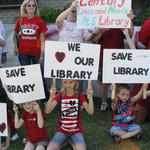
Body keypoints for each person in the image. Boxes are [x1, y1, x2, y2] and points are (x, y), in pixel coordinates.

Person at [92, 11, 135, 112]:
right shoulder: (101, 21)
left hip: (118, 58)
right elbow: (94, 40)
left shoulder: (120, 21)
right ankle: (104, 102)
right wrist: (101, 31)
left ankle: (114, 102)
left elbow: (130, 34)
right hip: (103, 57)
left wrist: (130, 19)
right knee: (103, 83)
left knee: (116, 83)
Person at [56, 0, 99, 93]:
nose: (74, 13)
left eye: (76, 11)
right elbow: (58, 20)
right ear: (66, 12)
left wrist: (94, 33)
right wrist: (71, 7)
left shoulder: (81, 24)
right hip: (64, 57)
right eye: (72, 11)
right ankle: (64, 101)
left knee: (78, 81)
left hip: (78, 57)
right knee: (65, 81)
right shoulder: (63, 23)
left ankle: (78, 101)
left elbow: (87, 37)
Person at [13, 0, 49, 104]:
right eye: (29, 5)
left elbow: (43, 40)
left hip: (37, 53)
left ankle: (45, 99)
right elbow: (14, 35)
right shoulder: (20, 20)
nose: (31, 7)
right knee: (26, 77)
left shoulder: (40, 21)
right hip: (23, 53)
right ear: (25, 7)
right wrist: (16, 47)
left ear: (36, 8)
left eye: (33, 5)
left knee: (40, 75)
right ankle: (29, 99)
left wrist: (42, 56)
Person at [45, 79, 94, 150]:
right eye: (65, 82)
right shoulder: (60, 96)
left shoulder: (80, 96)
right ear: (62, 83)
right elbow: (47, 111)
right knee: (49, 148)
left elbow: (90, 111)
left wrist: (91, 97)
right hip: (62, 130)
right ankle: (67, 141)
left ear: (75, 82)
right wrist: (51, 96)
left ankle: (69, 141)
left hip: (76, 131)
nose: (68, 85)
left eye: (71, 82)